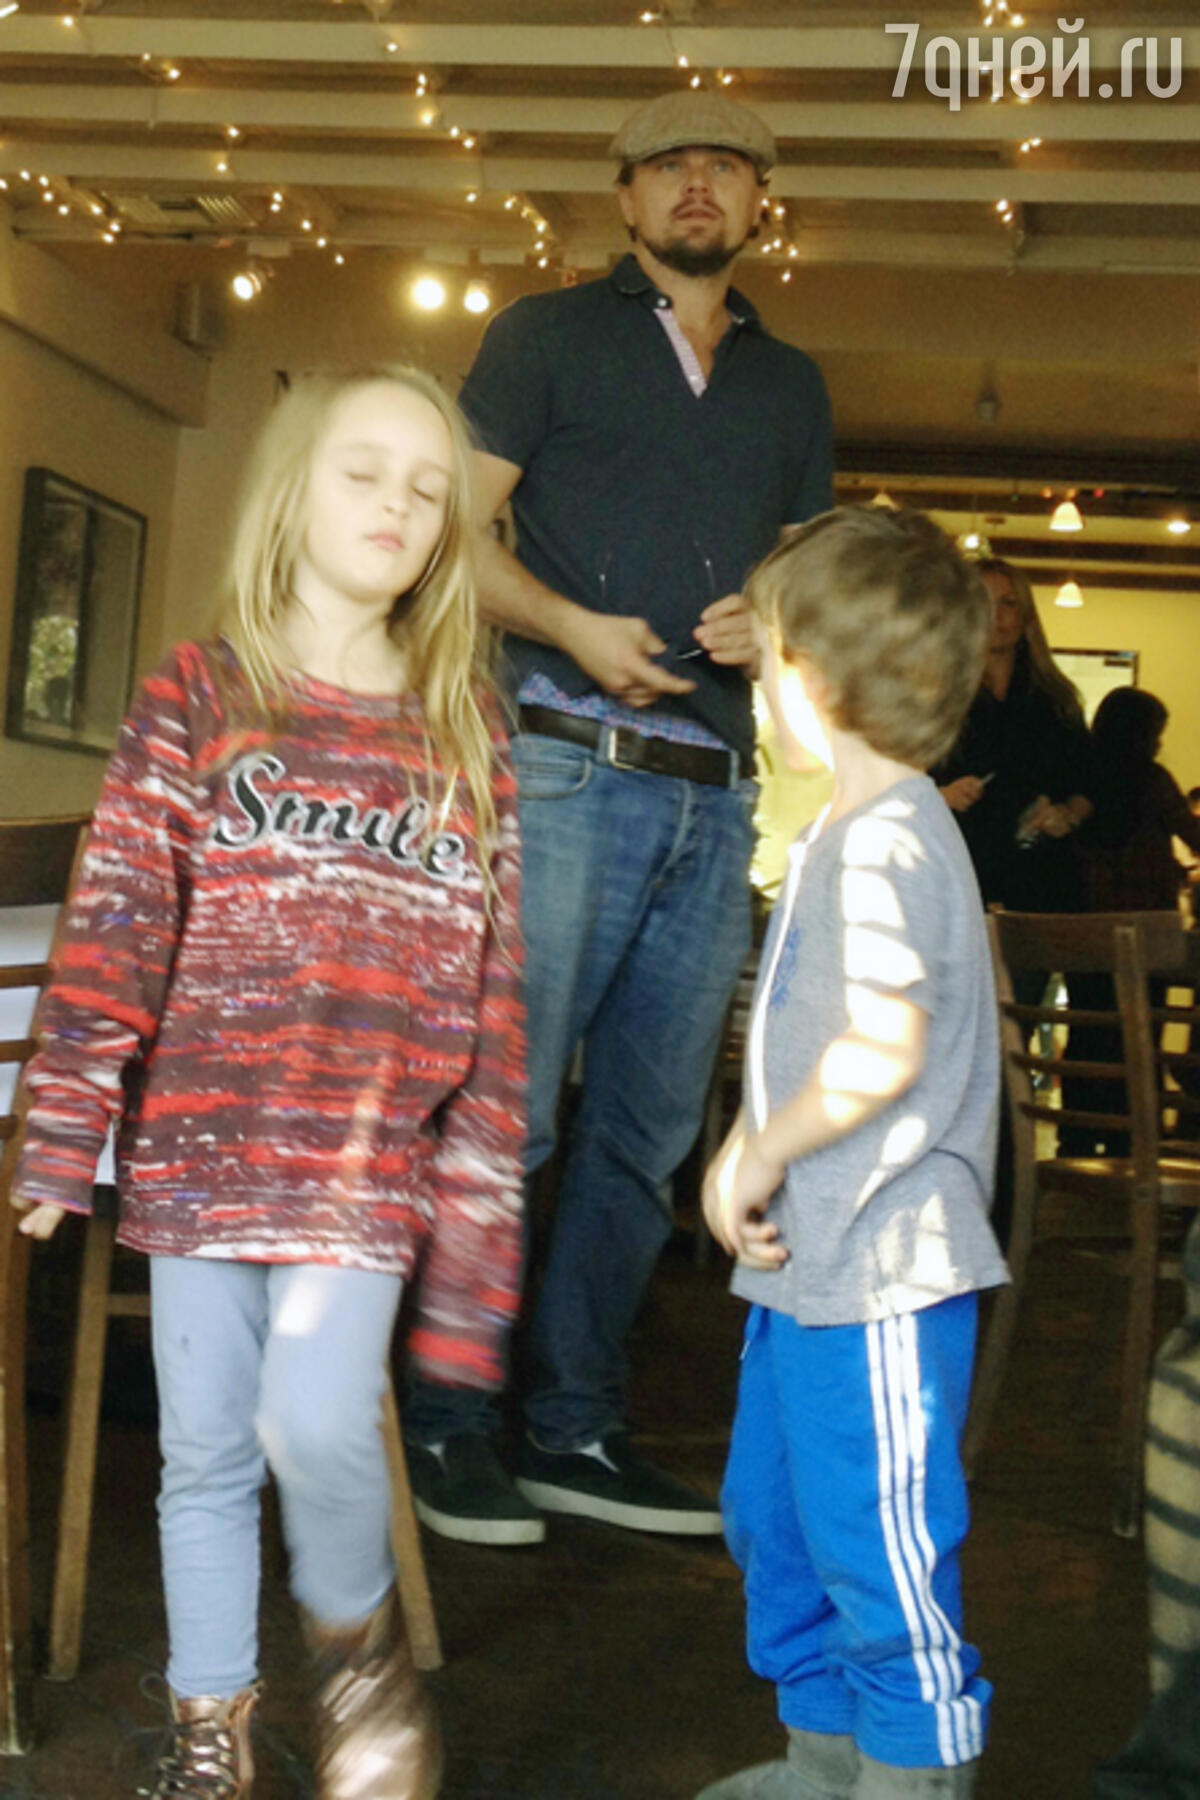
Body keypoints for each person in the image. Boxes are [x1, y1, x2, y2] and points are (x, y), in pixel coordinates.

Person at [9, 367, 526, 1800]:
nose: (399, 505)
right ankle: (212, 1737)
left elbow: (497, 993)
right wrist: (65, 1125)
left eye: (428, 489)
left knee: (314, 1417)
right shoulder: (197, 692)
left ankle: (358, 1662)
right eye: (365, 472)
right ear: (294, 493)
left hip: (362, 1168)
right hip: (195, 1156)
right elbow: (119, 920)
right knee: (202, 1455)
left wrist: (481, 1230)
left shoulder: (467, 727)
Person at [403, 88, 834, 1545]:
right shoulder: (544, 336)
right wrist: (572, 627)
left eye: (728, 165)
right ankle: (447, 1423)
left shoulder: (793, 385)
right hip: (561, 765)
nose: (699, 184)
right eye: (669, 165)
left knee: (646, 1141)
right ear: (628, 198)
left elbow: (800, 578)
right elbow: (449, 536)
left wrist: (774, 621)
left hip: (720, 797)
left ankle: (574, 1429)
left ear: (763, 201)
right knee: (508, 1120)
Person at [698, 507, 1008, 1800]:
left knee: (879, 1546)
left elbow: (883, 1047)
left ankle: (910, 1774)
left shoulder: (890, 839)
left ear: (816, 677)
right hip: (811, 1267)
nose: (758, 684)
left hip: (881, 1268)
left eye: (768, 657)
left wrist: (755, 1149)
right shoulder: (847, 827)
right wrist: (759, 1148)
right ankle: (824, 1763)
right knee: (777, 1523)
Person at [934, 557, 1091, 913]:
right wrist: (942, 795)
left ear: (1026, 615)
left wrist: (1066, 814)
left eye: (1009, 603)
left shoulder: (1056, 699)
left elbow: (1088, 780)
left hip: (1042, 878)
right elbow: (897, 784)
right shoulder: (935, 697)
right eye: (984, 603)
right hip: (957, 870)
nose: (997, 616)